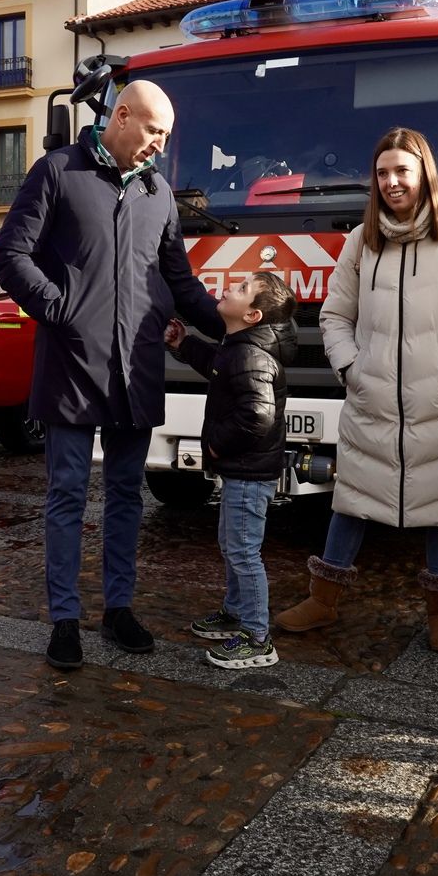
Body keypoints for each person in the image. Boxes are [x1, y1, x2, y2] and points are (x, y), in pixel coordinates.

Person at [0, 80, 222, 671]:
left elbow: (178, 279)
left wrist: (227, 324)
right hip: (71, 364)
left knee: (126, 495)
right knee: (66, 494)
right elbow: (9, 255)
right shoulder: (57, 171)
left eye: (165, 137)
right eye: (152, 132)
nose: (158, 147)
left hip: (137, 367)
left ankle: (118, 609)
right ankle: (64, 620)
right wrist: (59, 309)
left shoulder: (159, 193)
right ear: (120, 117)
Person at [274, 127, 438, 651]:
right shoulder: (363, 240)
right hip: (372, 396)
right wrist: (352, 369)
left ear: (424, 170)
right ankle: (324, 600)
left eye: (402, 170)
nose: (392, 181)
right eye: (382, 173)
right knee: (353, 499)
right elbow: (335, 314)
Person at [165, 271, 297, 669]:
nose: (229, 289)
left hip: (247, 471)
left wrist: (215, 444)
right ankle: (235, 613)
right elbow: (218, 366)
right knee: (232, 545)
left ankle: (257, 637)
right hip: (242, 470)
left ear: (252, 315)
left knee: (243, 552)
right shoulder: (239, 346)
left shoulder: (250, 354)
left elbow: (257, 416)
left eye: (241, 290)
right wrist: (184, 344)